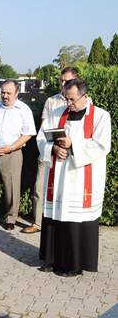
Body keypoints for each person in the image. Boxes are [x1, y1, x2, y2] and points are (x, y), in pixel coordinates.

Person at [37, 79, 111, 276]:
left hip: (81, 178)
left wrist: (72, 144)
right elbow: (41, 137)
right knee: (56, 216)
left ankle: (74, 265)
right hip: (59, 176)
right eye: (66, 98)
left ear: (84, 96)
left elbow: (102, 145)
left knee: (75, 219)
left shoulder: (101, 117)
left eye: (72, 99)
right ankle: (52, 261)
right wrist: (53, 148)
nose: (68, 103)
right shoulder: (57, 113)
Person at [21, 67, 78, 233]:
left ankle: (63, 223)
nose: (63, 83)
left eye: (67, 81)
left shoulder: (82, 101)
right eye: (62, 80)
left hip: (69, 154)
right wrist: (53, 146)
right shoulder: (51, 102)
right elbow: (45, 128)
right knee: (40, 187)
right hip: (49, 150)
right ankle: (38, 222)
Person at [0, 80, 36, 230]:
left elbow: (28, 134)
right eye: (3, 92)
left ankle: (10, 218)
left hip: (13, 153)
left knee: (12, 186)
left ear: (16, 93)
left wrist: (11, 147)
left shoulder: (23, 109)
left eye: (9, 93)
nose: (5, 96)